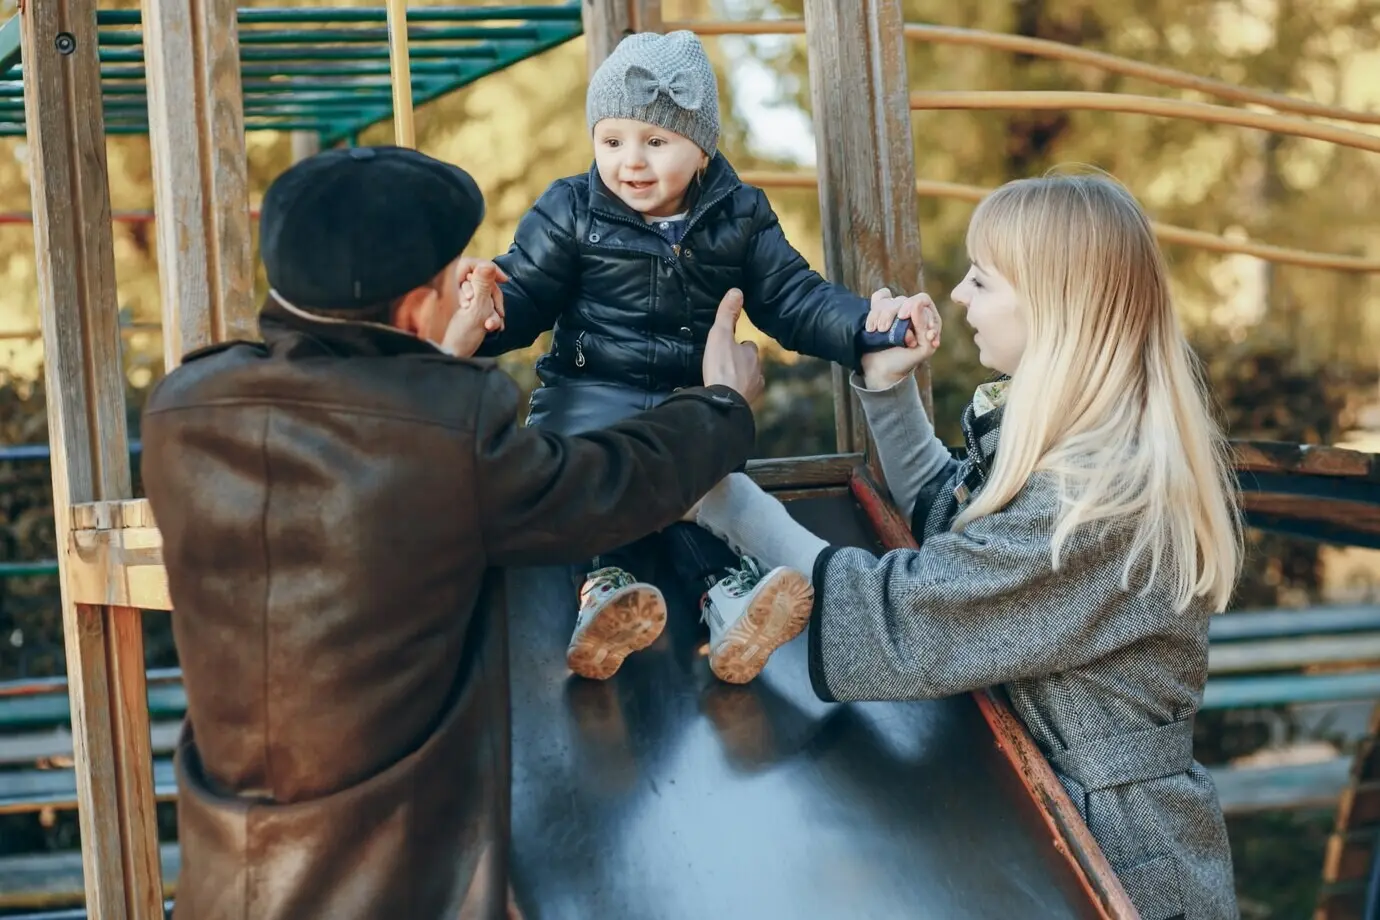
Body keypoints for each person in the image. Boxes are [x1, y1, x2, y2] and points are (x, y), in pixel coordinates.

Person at [138, 145, 766, 920]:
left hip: (226, 876)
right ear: (410, 310)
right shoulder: (448, 435)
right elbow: (604, 484)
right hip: (389, 885)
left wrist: (435, 355)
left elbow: (342, 440)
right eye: (447, 282)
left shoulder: (183, 411)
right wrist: (720, 406)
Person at [686, 173, 1243, 920]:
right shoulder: (1088, 458)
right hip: (1068, 831)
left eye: (981, 280)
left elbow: (904, 621)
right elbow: (962, 529)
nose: (959, 297)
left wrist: (725, 497)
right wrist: (885, 391)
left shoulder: (1103, 499)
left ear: (1051, 303)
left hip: (1122, 862)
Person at [461, 30, 911, 684]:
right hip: (588, 410)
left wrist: (865, 328)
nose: (630, 163)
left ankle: (729, 602)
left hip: (689, 411)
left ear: (701, 147)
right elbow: (525, 288)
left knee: (692, 482)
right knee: (607, 482)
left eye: (655, 141)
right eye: (611, 141)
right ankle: (606, 593)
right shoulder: (571, 211)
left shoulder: (740, 217)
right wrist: (489, 316)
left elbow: (793, 295)